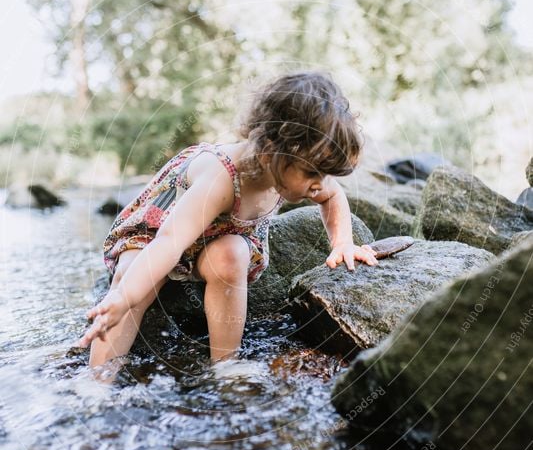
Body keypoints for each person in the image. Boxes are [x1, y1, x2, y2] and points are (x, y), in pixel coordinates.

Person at [78, 71, 378, 367]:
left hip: (216, 240)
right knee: (134, 274)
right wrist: (124, 296)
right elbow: (168, 242)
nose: (320, 183)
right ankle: (97, 383)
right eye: (313, 173)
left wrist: (343, 243)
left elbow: (333, 195)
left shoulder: (300, 169)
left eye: (324, 174)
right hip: (158, 233)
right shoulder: (221, 178)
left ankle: (225, 366)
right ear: (271, 153)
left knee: (231, 254)